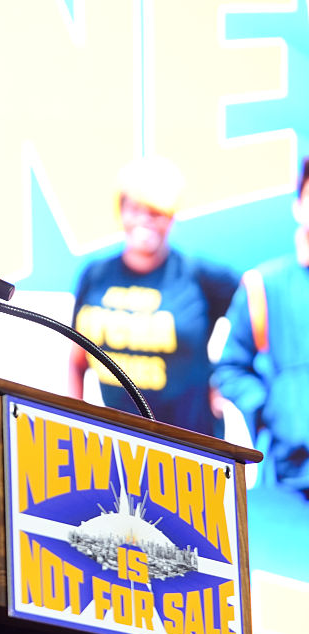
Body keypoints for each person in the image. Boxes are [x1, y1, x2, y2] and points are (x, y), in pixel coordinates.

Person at [68, 156, 239, 436]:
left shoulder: (200, 276)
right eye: (135, 209)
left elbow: (257, 311)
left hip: (190, 441)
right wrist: (72, 423)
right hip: (118, 441)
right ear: (121, 211)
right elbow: (78, 360)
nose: (144, 221)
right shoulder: (96, 276)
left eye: (156, 212)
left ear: (171, 218)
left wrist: (230, 380)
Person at [212, 157, 309, 495]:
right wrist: (275, 408)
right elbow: (230, 367)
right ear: (298, 206)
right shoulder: (263, 285)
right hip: (289, 478)